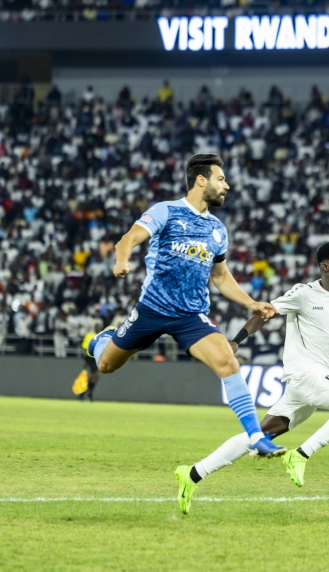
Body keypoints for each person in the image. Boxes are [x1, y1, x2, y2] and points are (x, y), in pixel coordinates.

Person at [85, 154, 285, 458]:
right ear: (201, 180)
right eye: (221, 179)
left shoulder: (218, 230)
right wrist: (123, 260)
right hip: (151, 309)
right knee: (105, 365)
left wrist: (251, 303)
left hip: (190, 316)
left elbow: (220, 276)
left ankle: (256, 437)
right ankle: (101, 340)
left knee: (229, 363)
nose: (227, 186)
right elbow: (128, 238)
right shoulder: (166, 211)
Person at [173, 241, 329, 514]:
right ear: (325, 267)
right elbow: (265, 313)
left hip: (314, 382)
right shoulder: (304, 294)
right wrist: (236, 342)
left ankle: (191, 474)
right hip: (305, 374)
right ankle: (301, 454)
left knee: (258, 436)